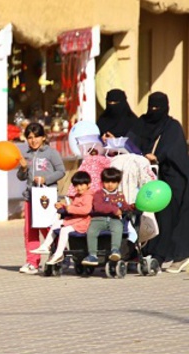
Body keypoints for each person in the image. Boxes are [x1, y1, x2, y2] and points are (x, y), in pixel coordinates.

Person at [128, 92, 189, 273]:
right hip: (146, 179)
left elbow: (174, 150)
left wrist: (158, 156)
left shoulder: (172, 127)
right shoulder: (141, 123)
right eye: (151, 107)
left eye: (157, 108)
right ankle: (147, 251)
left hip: (171, 180)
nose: (153, 111)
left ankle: (163, 254)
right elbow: (130, 142)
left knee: (166, 216)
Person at [16, 122, 65, 274]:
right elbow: (20, 177)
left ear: (43, 137)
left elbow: (61, 171)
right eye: (30, 137)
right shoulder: (27, 155)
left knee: (48, 227)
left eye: (37, 136)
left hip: (47, 196)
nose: (33, 140)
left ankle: (58, 253)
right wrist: (23, 168)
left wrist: (46, 179)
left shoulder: (51, 153)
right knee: (30, 230)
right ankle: (32, 262)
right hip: (30, 197)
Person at [30, 171, 93, 265]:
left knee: (64, 230)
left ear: (88, 185)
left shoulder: (88, 196)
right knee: (56, 223)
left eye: (81, 185)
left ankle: (59, 254)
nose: (79, 188)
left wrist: (69, 208)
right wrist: (63, 206)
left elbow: (86, 210)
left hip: (83, 223)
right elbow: (72, 207)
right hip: (75, 220)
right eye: (76, 186)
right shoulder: (78, 196)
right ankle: (46, 245)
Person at [81, 167, 131, 266]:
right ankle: (92, 255)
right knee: (91, 231)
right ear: (102, 182)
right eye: (107, 182)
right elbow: (99, 206)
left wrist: (132, 207)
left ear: (118, 182)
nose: (110, 185)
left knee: (118, 228)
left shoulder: (120, 195)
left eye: (113, 182)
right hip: (98, 219)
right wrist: (114, 209)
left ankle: (115, 250)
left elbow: (124, 207)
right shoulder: (99, 194)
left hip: (114, 220)